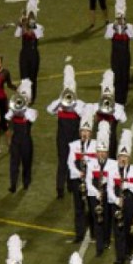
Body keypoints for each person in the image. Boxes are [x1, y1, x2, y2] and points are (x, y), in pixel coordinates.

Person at [47, 65, 85, 199]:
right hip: (62, 138)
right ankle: (59, 188)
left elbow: (84, 113)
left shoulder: (79, 104)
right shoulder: (59, 106)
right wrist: (60, 100)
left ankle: (71, 185)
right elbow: (49, 109)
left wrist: (74, 104)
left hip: (74, 138)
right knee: (62, 161)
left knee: (73, 161)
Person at [108, 129, 133, 264]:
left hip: (131, 201)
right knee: (118, 229)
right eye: (121, 156)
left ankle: (127, 250)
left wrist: (127, 184)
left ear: (129, 158)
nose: (123, 159)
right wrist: (116, 200)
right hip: (118, 202)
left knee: (129, 229)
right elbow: (109, 188)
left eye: (125, 156)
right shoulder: (113, 170)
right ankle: (120, 256)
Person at [84, 122, 117, 256]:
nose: (102, 154)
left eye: (104, 152)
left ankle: (106, 240)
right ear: (96, 152)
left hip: (107, 195)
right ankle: (99, 247)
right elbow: (88, 181)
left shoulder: (112, 164)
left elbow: (114, 181)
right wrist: (97, 193)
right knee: (98, 219)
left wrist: (107, 191)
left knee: (107, 219)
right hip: (94, 195)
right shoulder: (91, 164)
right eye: (99, 152)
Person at [66, 110, 97, 242]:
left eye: (87, 131)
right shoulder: (74, 146)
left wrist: (88, 171)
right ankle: (79, 234)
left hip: (91, 181)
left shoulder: (96, 146)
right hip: (78, 180)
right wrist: (79, 173)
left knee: (92, 207)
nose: (85, 133)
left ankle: (95, 234)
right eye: (82, 131)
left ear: (91, 133)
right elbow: (70, 162)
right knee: (78, 208)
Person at [5, 79, 36, 193]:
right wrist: (14, 109)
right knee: (14, 163)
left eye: (26, 97)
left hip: (26, 140)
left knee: (26, 162)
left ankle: (26, 183)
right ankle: (13, 184)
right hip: (16, 140)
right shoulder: (13, 109)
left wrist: (24, 108)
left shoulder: (31, 111)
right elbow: (7, 117)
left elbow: (32, 118)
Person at [104, 0, 133, 105]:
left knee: (125, 76)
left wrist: (125, 27)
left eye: (121, 17)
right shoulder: (111, 26)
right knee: (116, 75)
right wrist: (114, 27)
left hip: (125, 54)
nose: (120, 19)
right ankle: (117, 99)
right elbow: (107, 36)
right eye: (118, 17)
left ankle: (123, 98)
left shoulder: (129, 26)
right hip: (116, 55)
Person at [15, 0, 42, 104]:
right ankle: (23, 96)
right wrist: (20, 25)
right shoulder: (23, 26)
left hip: (34, 54)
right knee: (24, 77)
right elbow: (16, 35)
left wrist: (29, 26)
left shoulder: (38, 27)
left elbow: (38, 34)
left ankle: (32, 98)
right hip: (24, 54)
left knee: (32, 77)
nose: (30, 18)